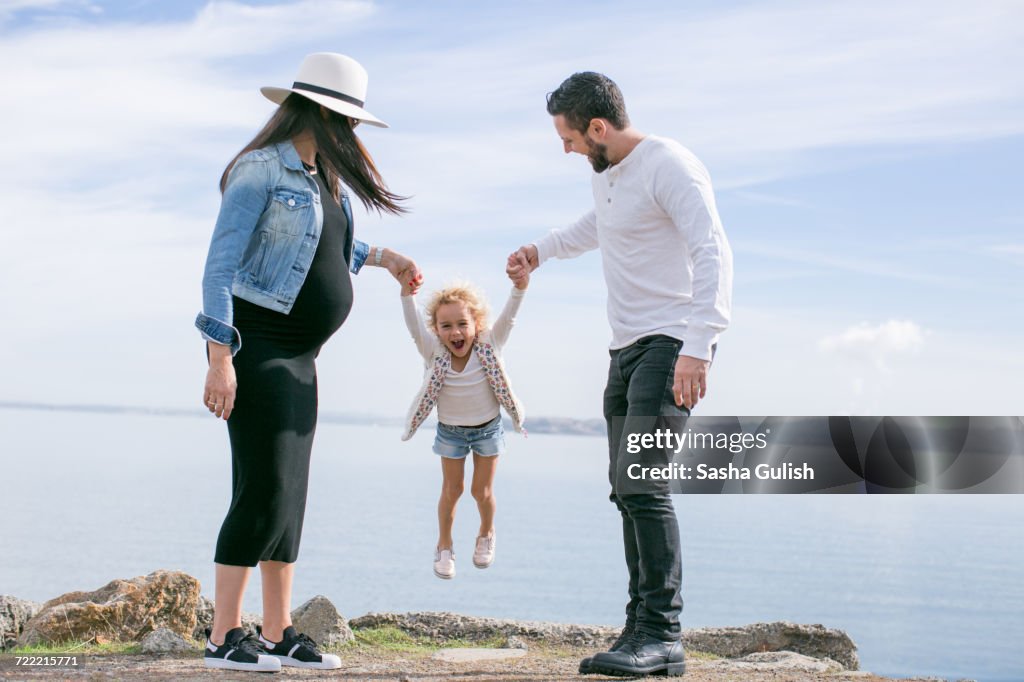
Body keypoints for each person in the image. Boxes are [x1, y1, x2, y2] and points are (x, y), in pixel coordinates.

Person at [196, 52, 422, 673]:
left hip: (302, 357)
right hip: (258, 348)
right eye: (346, 121)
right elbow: (220, 268)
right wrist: (221, 358)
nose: (351, 134)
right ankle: (222, 638)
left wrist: (389, 260)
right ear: (321, 111)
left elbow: (330, 247)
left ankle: (277, 632)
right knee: (261, 492)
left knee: (290, 498)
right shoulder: (259, 170)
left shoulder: (325, 180)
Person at [507, 72, 733, 677]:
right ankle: (640, 628)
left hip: (671, 342)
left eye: (570, 137)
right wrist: (540, 250)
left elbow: (713, 249)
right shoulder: (610, 179)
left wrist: (700, 346)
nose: (568, 148)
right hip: (626, 349)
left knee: (644, 485)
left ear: (598, 127)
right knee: (624, 489)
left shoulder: (669, 164)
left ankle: (663, 635)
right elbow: (596, 229)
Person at [398, 266, 528, 579]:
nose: (455, 333)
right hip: (451, 432)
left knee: (481, 492)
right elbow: (415, 328)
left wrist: (519, 288)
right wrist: (406, 293)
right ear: (437, 329)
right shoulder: (433, 352)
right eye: (446, 326)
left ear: (476, 324)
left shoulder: (490, 343)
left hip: (488, 429)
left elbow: (509, 318)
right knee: (451, 490)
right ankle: (444, 545)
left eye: (462, 324)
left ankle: (486, 533)